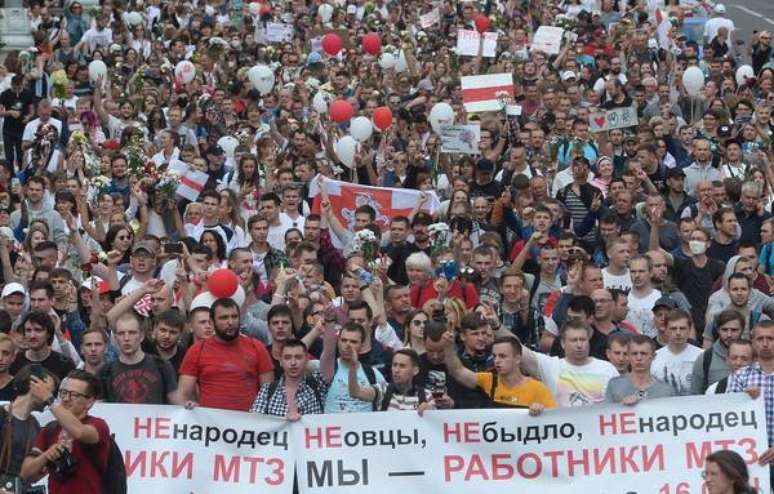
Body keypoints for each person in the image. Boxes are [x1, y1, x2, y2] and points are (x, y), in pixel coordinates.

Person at [21, 370, 110, 494]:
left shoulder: (98, 425)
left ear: (90, 402)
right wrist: (47, 455)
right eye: (63, 393)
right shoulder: (50, 429)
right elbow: (26, 474)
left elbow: (79, 432)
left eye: (74, 395)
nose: (66, 399)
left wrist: (49, 399)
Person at [178, 298, 274, 412]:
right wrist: (189, 406)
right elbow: (183, 395)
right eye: (224, 318)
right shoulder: (197, 350)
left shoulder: (257, 347)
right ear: (212, 322)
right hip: (208, 424)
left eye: (234, 317)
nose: (230, 322)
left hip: (249, 424)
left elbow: (268, 393)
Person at [520, 318, 619, 407]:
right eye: (574, 340)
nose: (579, 345)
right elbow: (516, 350)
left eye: (583, 340)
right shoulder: (551, 366)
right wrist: (503, 328)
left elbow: (621, 402)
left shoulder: (607, 369)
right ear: (563, 343)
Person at [444, 333, 556, 412]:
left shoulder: (538, 388)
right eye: (494, 356)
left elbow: (555, 420)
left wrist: (542, 412)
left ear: (517, 359)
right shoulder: (488, 381)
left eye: (502, 356)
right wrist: (448, 348)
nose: (496, 361)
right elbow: (457, 371)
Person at [249, 323, 336, 419]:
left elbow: (329, 353)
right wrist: (285, 423)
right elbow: (255, 424)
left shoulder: (318, 384)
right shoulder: (267, 390)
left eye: (298, 357)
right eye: (287, 358)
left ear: (307, 359)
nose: (293, 362)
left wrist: (330, 321)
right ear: (281, 361)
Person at [100, 312, 182, 405]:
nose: (126, 338)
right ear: (115, 337)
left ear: (141, 336)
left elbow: (175, 400)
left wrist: (189, 408)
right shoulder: (106, 371)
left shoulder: (161, 365)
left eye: (132, 333)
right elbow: (100, 405)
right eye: (121, 333)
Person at [0, 365, 56, 493]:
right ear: (34, 384)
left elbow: (30, 477)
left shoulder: (34, 424)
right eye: (49, 390)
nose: (50, 396)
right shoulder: (2, 415)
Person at [345, 347, 435, 413]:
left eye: (402, 366)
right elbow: (355, 393)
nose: (396, 370)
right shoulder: (383, 390)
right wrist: (352, 366)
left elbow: (436, 430)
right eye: (394, 365)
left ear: (415, 370)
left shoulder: (426, 395)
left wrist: (430, 412)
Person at [605, 335, 675, 404]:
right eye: (634, 354)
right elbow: (606, 412)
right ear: (628, 356)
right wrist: (621, 406)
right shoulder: (614, 385)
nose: (639, 358)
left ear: (653, 356)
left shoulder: (666, 390)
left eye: (643, 354)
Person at [10, 311, 75, 383]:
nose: (32, 336)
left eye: (38, 330)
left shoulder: (64, 364)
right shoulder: (14, 362)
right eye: (28, 330)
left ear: (48, 334)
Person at [651, 309, 703, 396]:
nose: (678, 333)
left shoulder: (702, 355)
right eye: (673, 328)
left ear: (689, 330)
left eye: (682, 328)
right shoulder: (654, 358)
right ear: (666, 330)